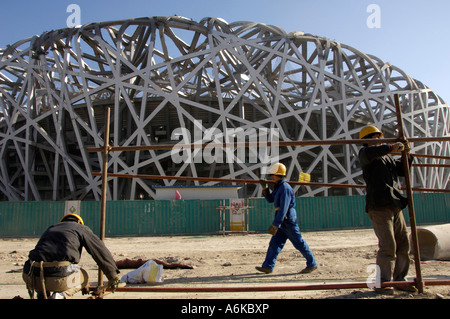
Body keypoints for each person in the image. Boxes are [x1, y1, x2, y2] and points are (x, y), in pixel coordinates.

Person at [358, 125, 416, 294]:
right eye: (374, 137)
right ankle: (382, 282)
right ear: (366, 140)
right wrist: (391, 147)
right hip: (379, 206)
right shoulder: (365, 154)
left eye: (379, 136)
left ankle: (400, 279)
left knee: (404, 243)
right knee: (388, 245)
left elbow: (403, 171)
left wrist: (407, 154)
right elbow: (375, 152)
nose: (378, 139)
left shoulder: (387, 158)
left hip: (395, 204)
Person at [22, 213, 121, 299]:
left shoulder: (51, 228)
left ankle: (41, 295)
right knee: (84, 277)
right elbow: (100, 251)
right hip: (58, 278)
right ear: (78, 222)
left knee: (42, 267)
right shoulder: (80, 228)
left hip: (32, 277)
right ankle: (61, 295)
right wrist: (113, 276)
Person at [256, 163, 318, 274]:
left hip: (287, 219)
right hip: (282, 219)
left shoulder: (284, 188)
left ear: (279, 175)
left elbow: (283, 208)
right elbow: (271, 200)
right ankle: (268, 266)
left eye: (273, 175)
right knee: (274, 243)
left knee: (298, 243)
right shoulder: (279, 187)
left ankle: (312, 263)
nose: (271, 177)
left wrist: (276, 224)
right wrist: (265, 189)